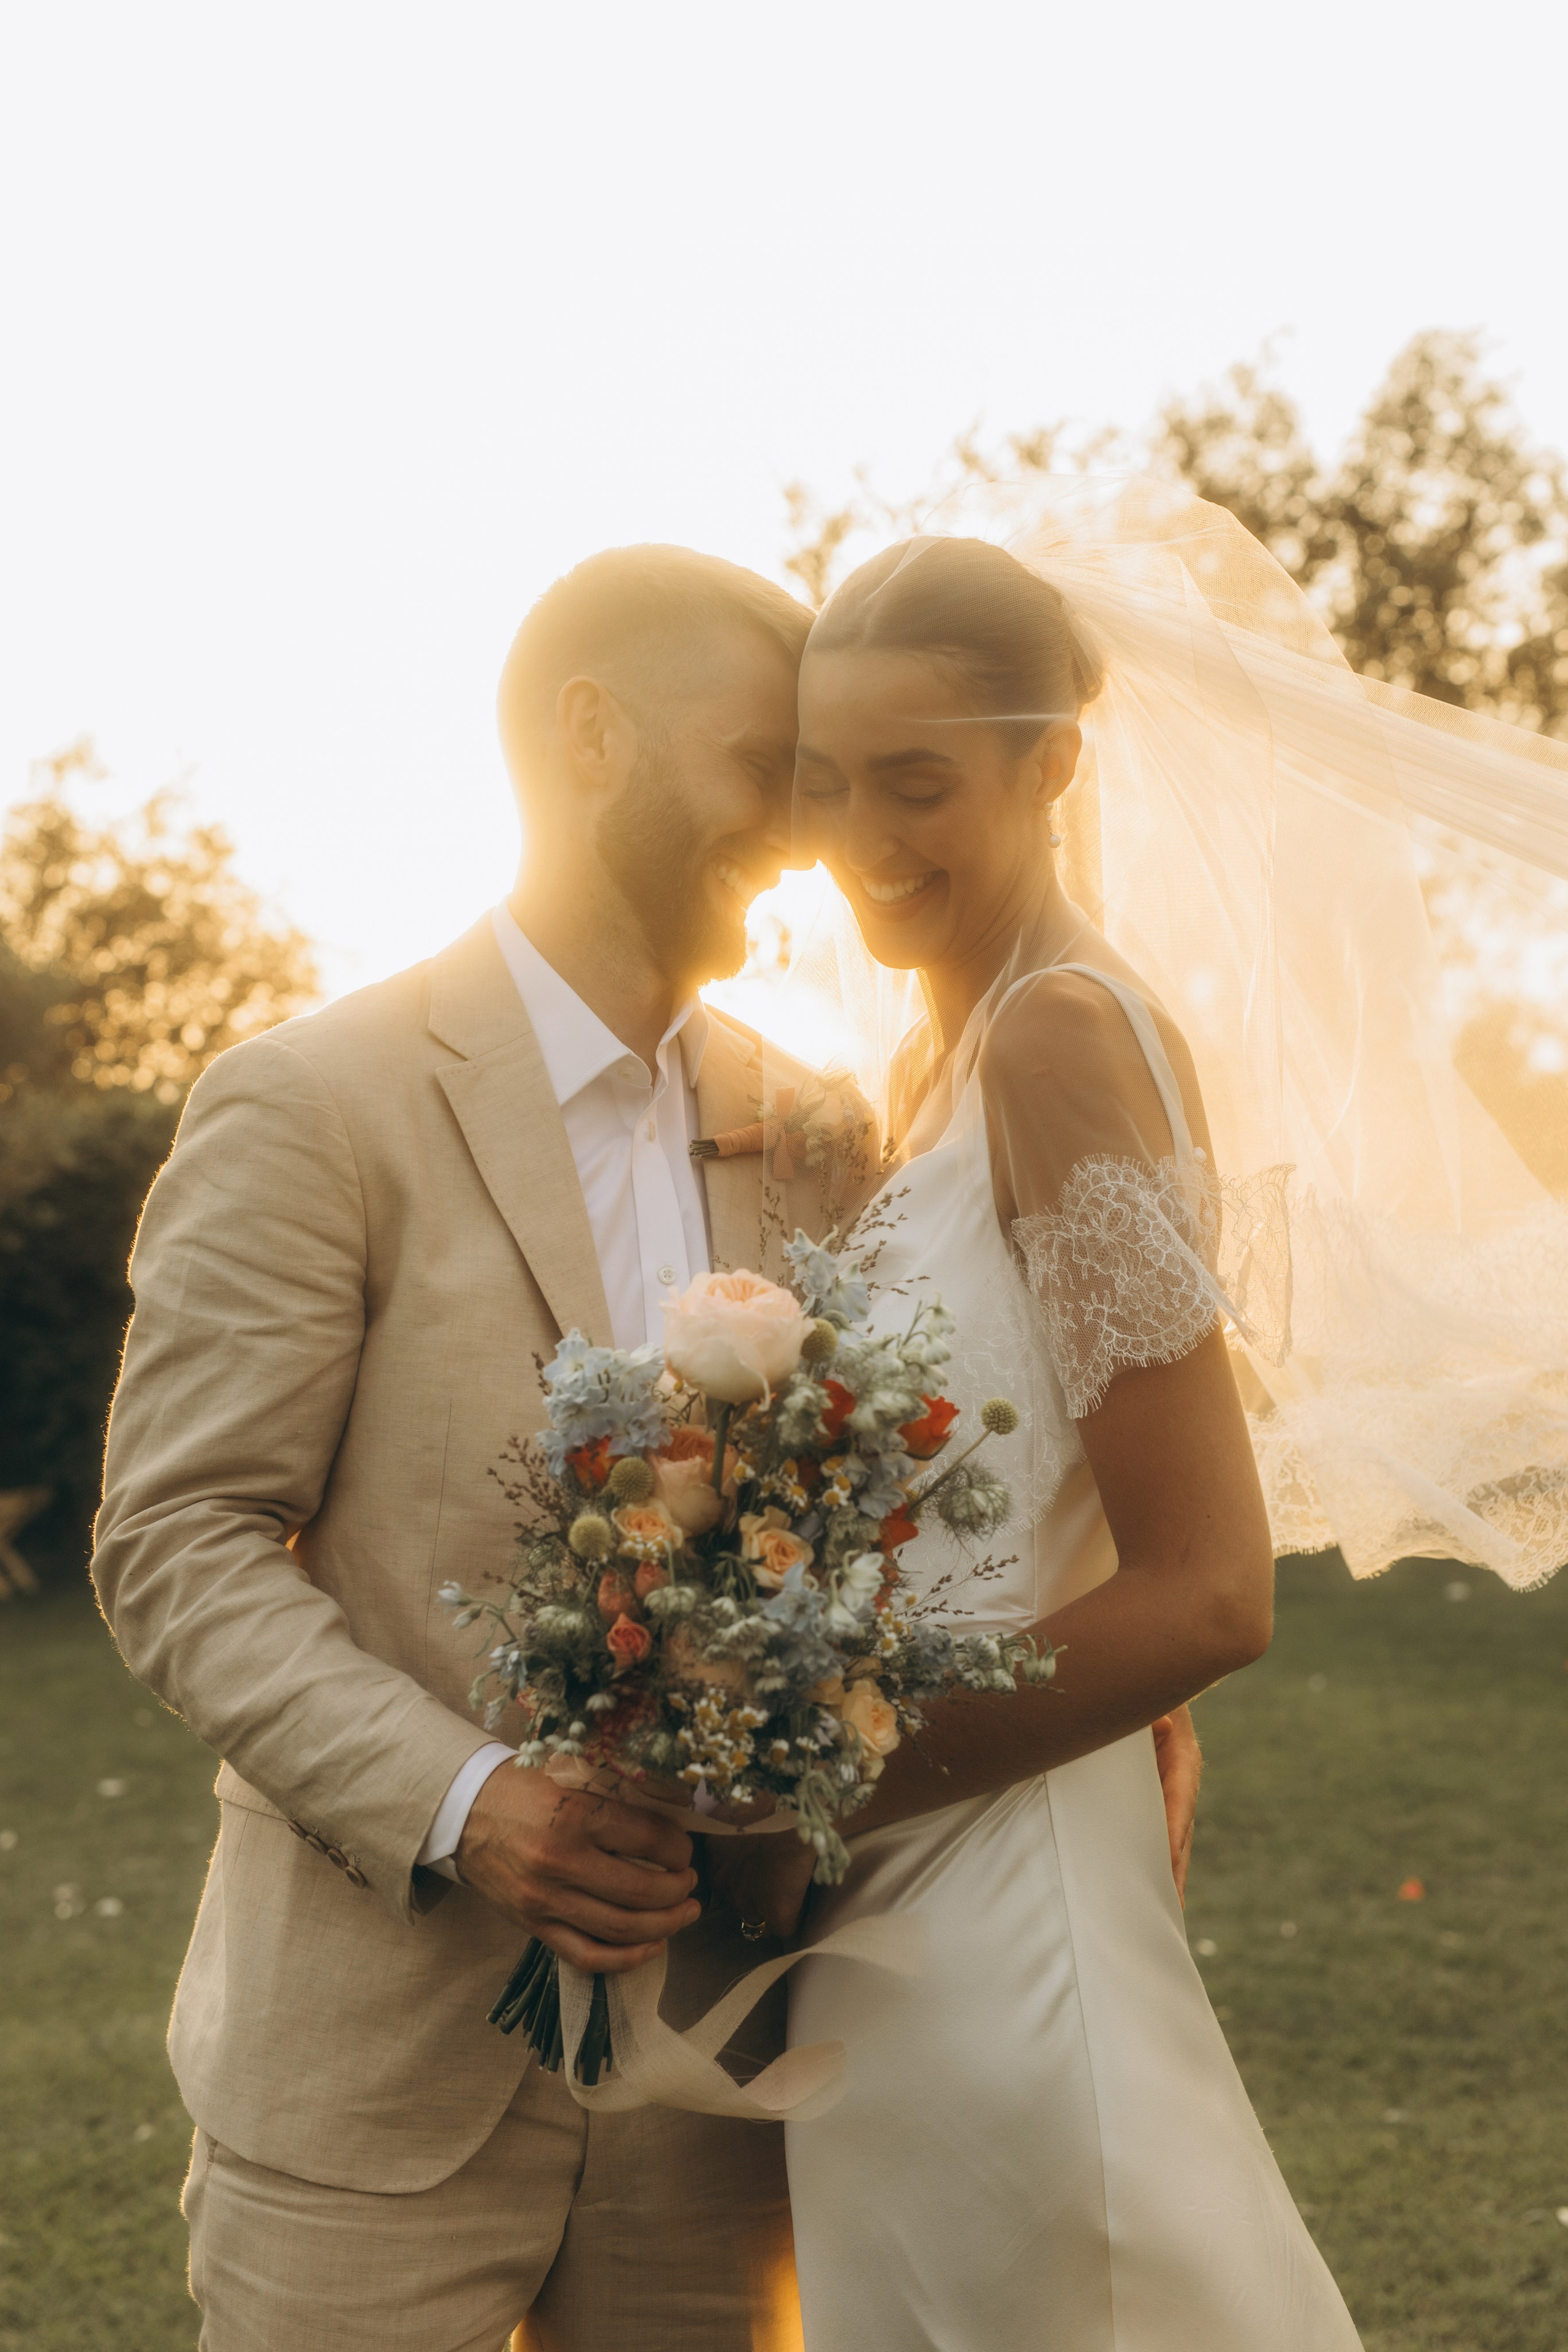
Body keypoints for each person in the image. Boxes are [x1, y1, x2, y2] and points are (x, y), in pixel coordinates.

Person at [726, 494, 1568, 2348]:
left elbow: (1208, 1589)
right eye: (826, 780)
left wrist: (812, 1783)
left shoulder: (1056, 1041)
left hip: (992, 1910)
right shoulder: (949, 1051)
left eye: (919, 782)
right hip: (913, 1905)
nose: (865, 840)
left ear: (1054, 770)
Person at [92, 546, 833, 2350]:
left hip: (717, 2073)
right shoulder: (313, 1103)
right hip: (366, 2082)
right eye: (767, 764)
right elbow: (179, 1541)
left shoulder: (810, 1132)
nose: (805, 828)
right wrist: (469, 1804)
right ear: (592, 738)